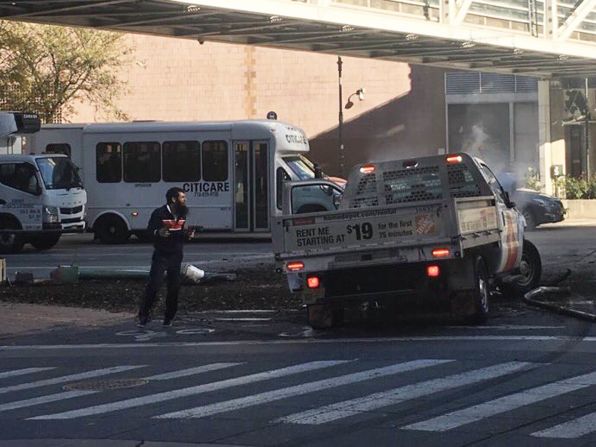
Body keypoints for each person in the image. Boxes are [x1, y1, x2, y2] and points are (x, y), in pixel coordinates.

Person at [137, 187, 194, 328]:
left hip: (176, 255)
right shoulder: (159, 213)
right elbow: (149, 231)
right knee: (154, 284)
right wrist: (158, 232)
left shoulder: (182, 214)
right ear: (174, 199)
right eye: (182, 197)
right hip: (161, 255)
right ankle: (144, 314)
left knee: (174, 287)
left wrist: (187, 235)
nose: (185, 200)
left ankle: (169, 317)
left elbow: (178, 233)